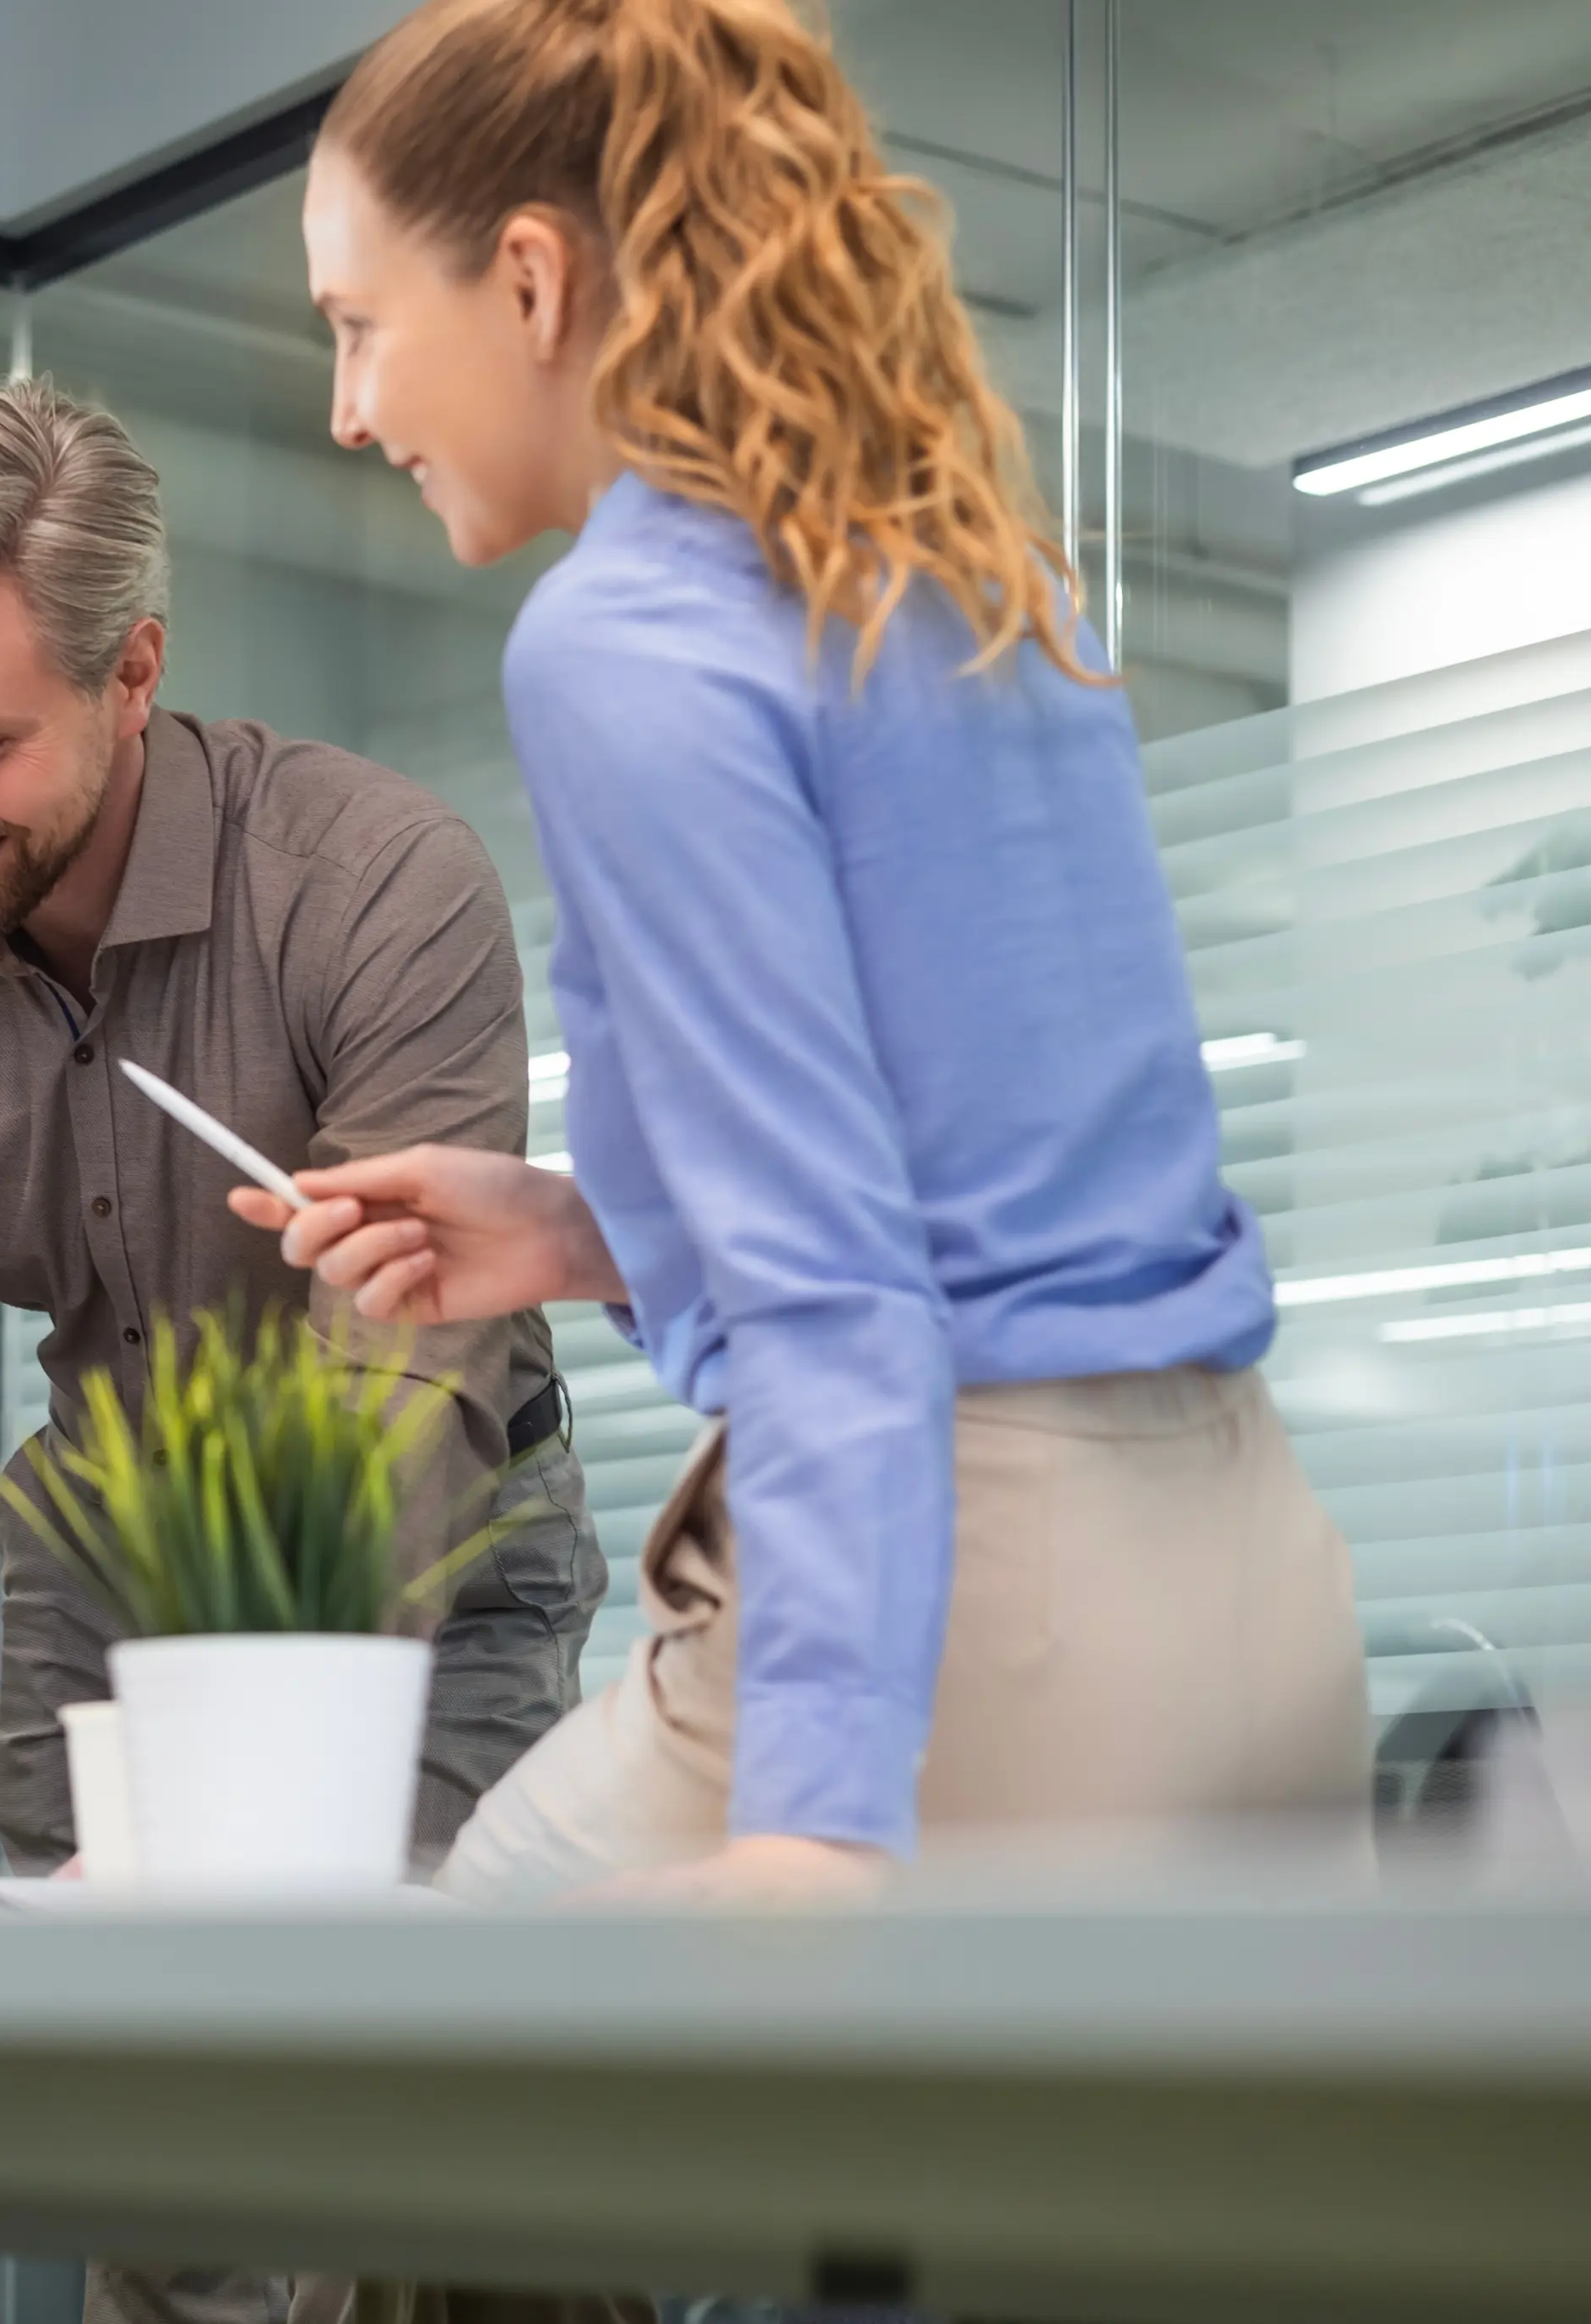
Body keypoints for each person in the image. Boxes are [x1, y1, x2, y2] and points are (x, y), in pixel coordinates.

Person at [258, 0, 1370, 1906]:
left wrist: (812, 1825)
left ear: (527, 280)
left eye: (358, 327)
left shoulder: (619, 640)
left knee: (428, 2071)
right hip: (1255, 1597)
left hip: (981, 1624)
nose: (347, 410)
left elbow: (839, 1289)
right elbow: (995, 1158)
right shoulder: (961, 575)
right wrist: (582, 1228)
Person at [0, 377, 607, 2324]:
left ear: (133, 672)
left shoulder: (372, 882)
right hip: (102, 1564)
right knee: (164, 2170)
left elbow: (393, 1385)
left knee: (436, 2171)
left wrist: (243, 1784)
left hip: (423, 1553)